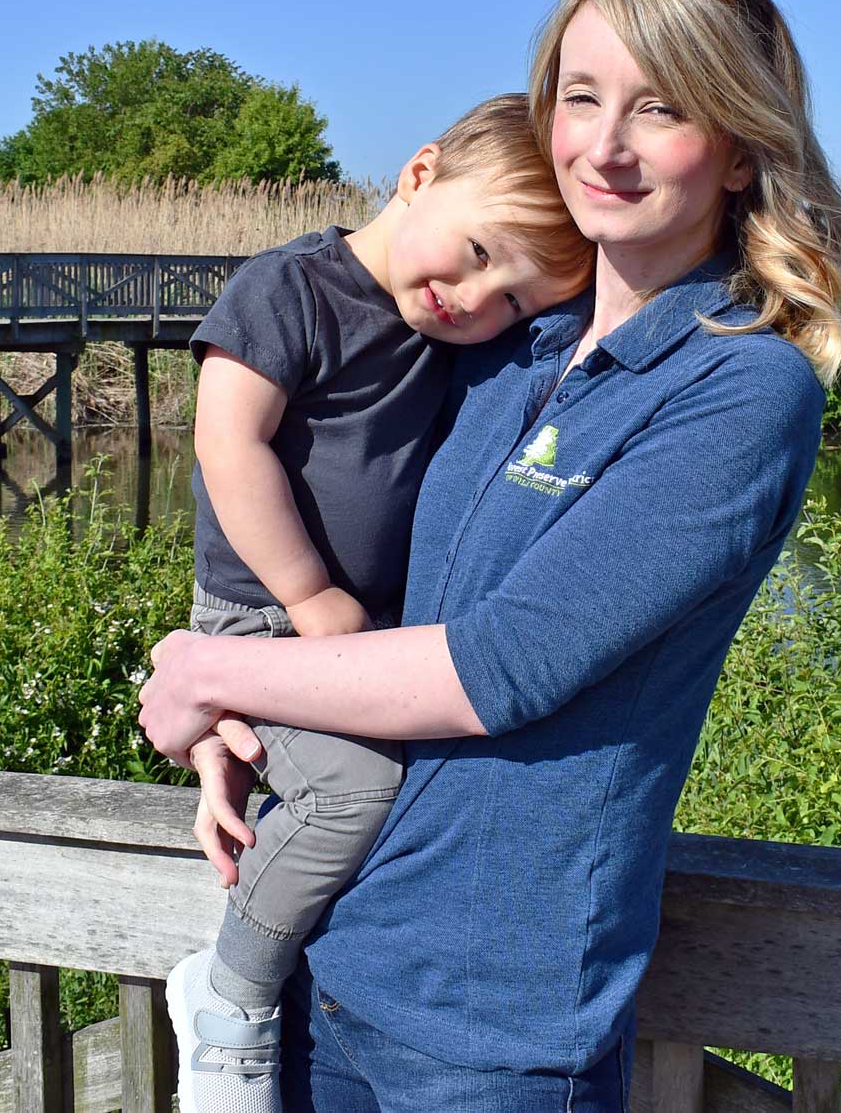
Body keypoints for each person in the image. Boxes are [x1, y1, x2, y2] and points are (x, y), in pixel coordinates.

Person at [141, 0, 841, 1111]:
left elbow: (502, 666)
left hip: (493, 1025)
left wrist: (205, 669)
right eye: (580, 98)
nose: (604, 147)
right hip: (330, 963)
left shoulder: (738, 388)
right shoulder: (497, 346)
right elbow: (290, 470)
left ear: (737, 151)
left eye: (660, 109)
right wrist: (233, 690)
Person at [169, 93, 594, 1113]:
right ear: (417, 174)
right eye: (477, 251)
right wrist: (307, 594)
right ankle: (227, 999)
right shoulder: (289, 288)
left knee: (397, 785)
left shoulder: (443, 333)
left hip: (352, 635)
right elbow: (226, 441)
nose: (472, 298)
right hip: (261, 616)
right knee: (352, 791)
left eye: (508, 300)